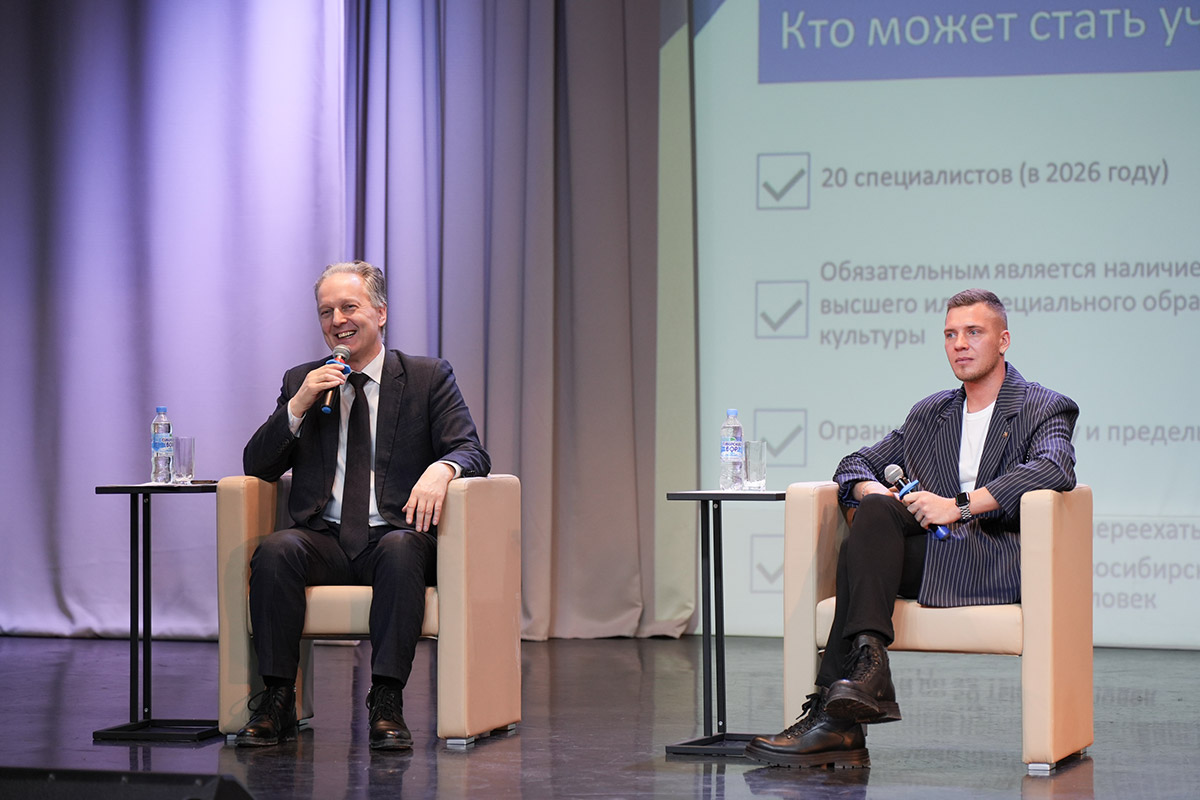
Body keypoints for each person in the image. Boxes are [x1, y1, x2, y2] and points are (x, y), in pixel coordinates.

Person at [745, 289, 1078, 769]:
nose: (960, 344)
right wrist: (871, 490)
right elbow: (854, 463)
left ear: (1003, 340)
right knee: (875, 512)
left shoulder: (1043, 406)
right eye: (950, 334)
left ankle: (834, 720)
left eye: (974, 332)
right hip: (930, 555)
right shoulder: (931, 413)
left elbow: (1054, 469)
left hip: (992, 558)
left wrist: (958, 506)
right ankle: (868, 669)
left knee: (856, 557)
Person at [236, 260, 490, 750]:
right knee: (276, 551)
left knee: (400, 549)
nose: (337, 321)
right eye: (326, 311)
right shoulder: (303, 380)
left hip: (395, 535)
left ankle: (386, 700)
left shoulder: (426, 377)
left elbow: (471, 449)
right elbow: (258, 465)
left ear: (381, 313)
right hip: (326, 539)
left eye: (349, 307)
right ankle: (277, 699)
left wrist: (444, 468)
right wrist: (298, 406)